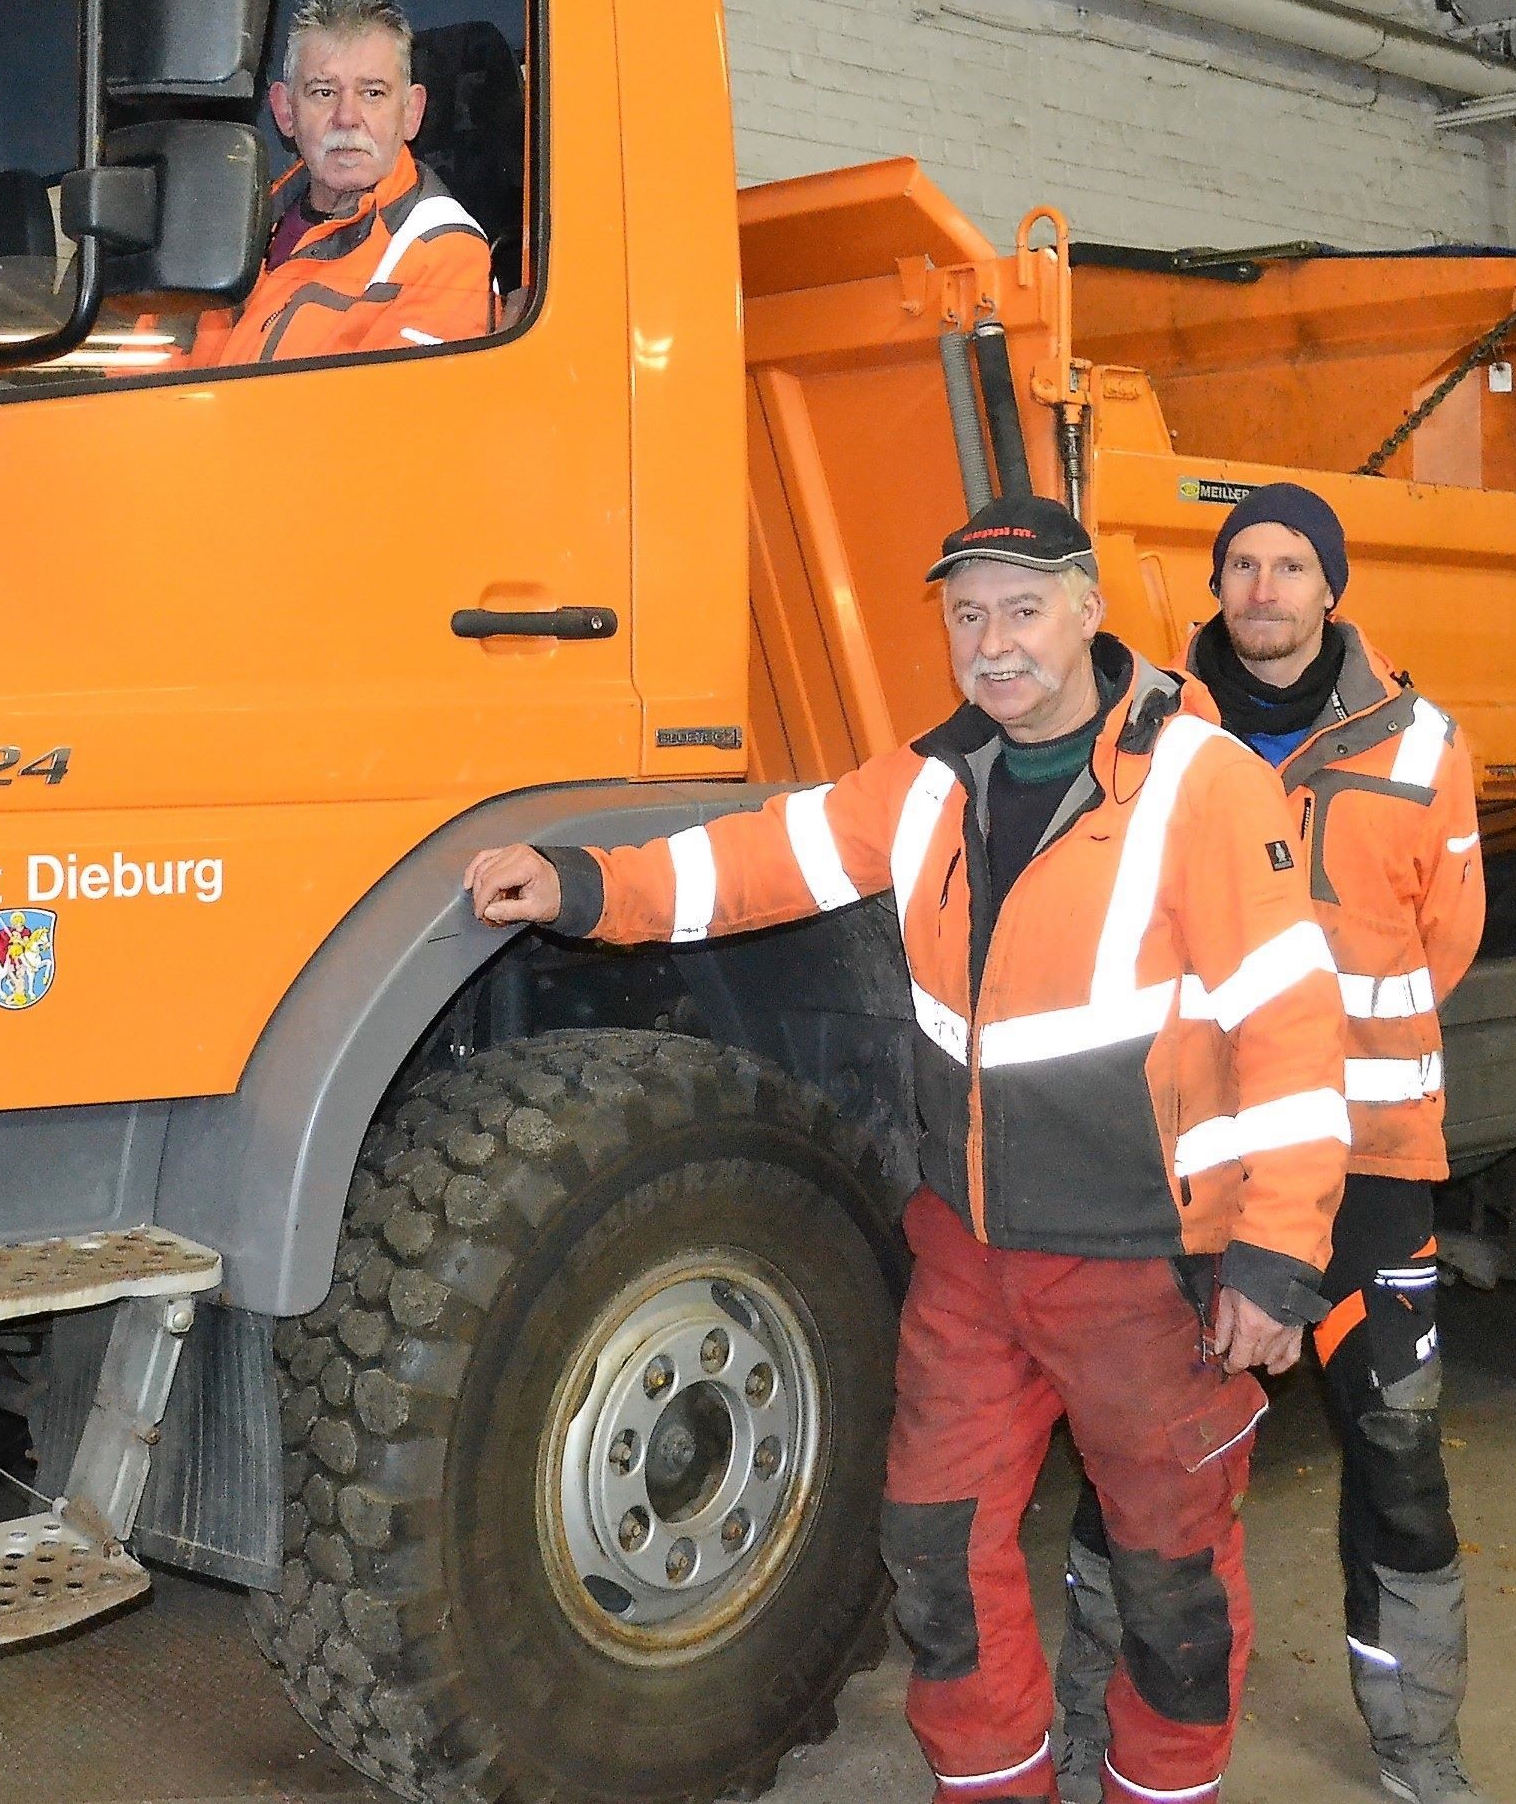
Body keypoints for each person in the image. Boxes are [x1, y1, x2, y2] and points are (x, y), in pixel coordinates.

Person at [466, 494, 1352, 1804]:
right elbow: (769, 860)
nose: (995, 644)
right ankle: (993, 1784)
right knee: (935, 1555)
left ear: (1092, 610)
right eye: (968, 616)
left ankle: (1164, 1790)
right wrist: (588, 886)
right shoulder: (933, 779)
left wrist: (1277, 1261)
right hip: (970, 1262)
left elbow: (1290, 1024)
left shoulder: (1202, 784)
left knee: (1171, 1581)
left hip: (1146, 1276)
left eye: (1025, 609)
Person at [1051, 480, 1489, 1804]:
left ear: (1331, 589)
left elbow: (1449, 934)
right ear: (1219, 584)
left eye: (1289, 565)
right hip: (1187, 1172)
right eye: (1242, 563)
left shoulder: (1423, 742)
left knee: (1398, 1463)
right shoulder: (1145, 737)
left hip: (1368, 1168)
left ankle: (1419, 1751)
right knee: (1136, 1468)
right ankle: (1090, 1730)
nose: (1262, 588)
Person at [189, 0, 493, 367]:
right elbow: (139, 368)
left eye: (372, 93)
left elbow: (392, 421)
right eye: (324, 92)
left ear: (412, 112)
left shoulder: (441, 250)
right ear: (285, 111)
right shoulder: (232, 226)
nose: (347, 118)